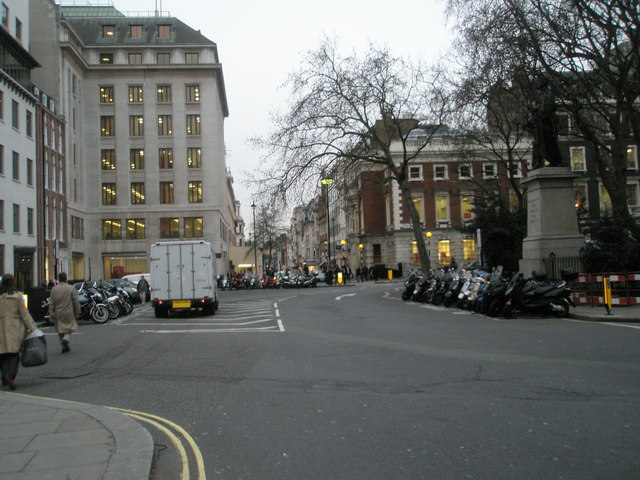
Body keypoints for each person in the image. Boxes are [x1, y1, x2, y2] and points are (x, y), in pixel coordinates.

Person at [0, 274, 37, 390]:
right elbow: (25, 315)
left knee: (2, 355)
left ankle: (4, 376)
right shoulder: (17, 296)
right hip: (14, 328)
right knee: (14, 355)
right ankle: (11, 377)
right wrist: (33, 329)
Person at [49, 272, 80, 354]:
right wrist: (77, 311)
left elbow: (51, 302)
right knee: (71, 326)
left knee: (60, 330)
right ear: (66, 278)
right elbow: (75, 301)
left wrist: (51, 312)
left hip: (58, 312)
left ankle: (63, 347)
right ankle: (66, 338)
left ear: (59, 279)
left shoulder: (54, 289)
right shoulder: (70, 288)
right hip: (69, 311)